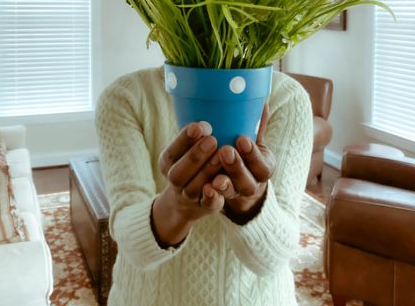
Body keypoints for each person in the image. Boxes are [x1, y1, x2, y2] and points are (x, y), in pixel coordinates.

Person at [95, 65, 313, 306]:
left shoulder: (286, 96)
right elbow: (130, 246)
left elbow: (274, 258)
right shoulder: (126, 97)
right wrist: (176, 208)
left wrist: (250, 201)